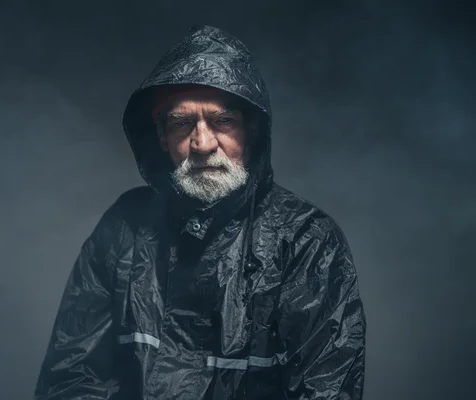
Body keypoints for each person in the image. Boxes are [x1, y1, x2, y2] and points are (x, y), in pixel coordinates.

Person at [34, 25, 366, 400]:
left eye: (222, 121)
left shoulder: (306, 239)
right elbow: (73, 378)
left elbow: (328, 389)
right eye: (182, 123)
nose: (203, 143)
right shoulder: (125, 226)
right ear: (161, 137)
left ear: (251, 131)